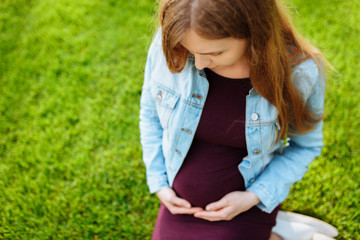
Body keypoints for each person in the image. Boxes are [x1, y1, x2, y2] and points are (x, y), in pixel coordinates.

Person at [139, 0, 328, 239]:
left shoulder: (299, 73)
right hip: (179, 205)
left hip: (248, 203)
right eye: (191, 50)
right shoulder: (173, 43)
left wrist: (253, 197)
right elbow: (150, 115)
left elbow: (305, 147)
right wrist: (159, 183)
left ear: (254, 31)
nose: (198, 63)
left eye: (215, 53)